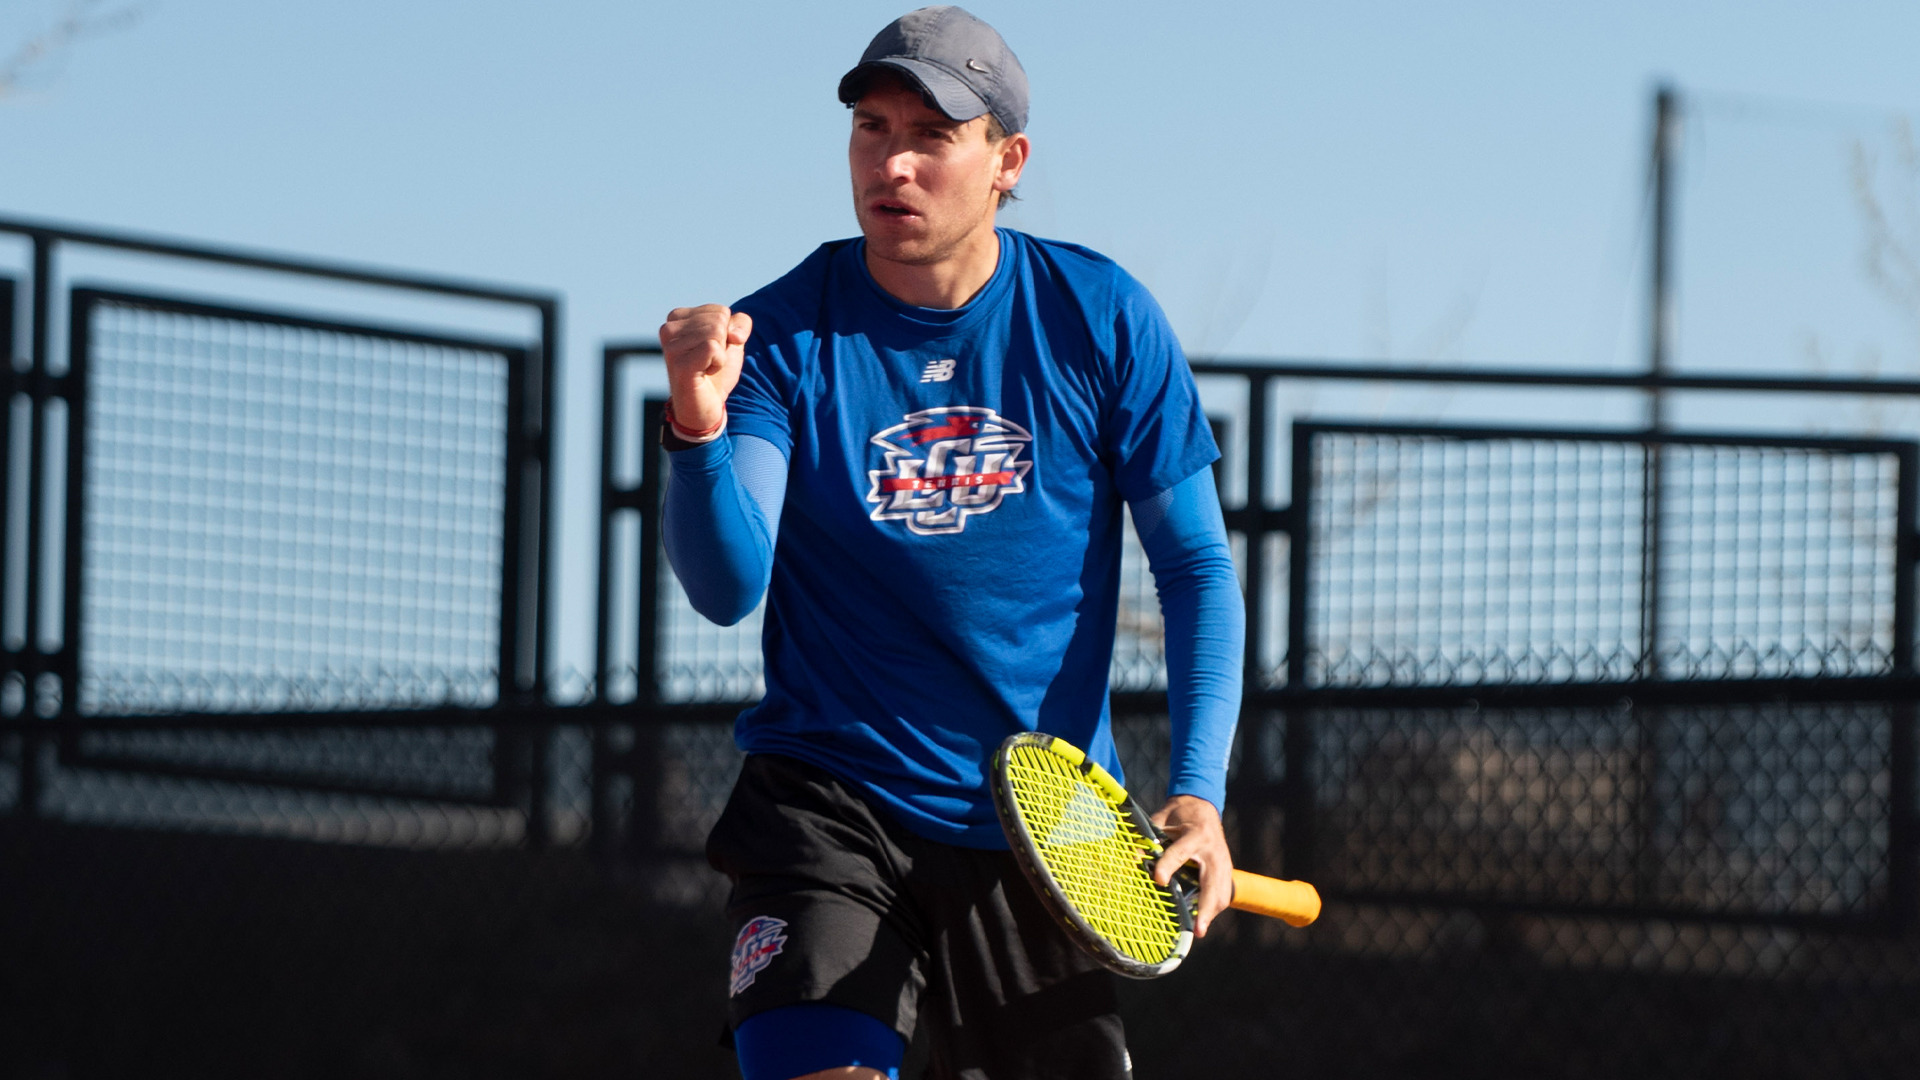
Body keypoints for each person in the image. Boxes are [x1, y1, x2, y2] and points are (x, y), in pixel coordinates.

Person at [657, 7, 1243, 1078]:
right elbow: (726, 585)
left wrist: (1199, 795)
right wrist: (696, 429)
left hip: (1047, 820)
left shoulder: (1101, 317)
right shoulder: (779, 335)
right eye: (873, 128)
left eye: (933, 135)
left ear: (1007, 161)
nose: (895, 162)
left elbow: (1198, 567)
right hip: (829, 804)